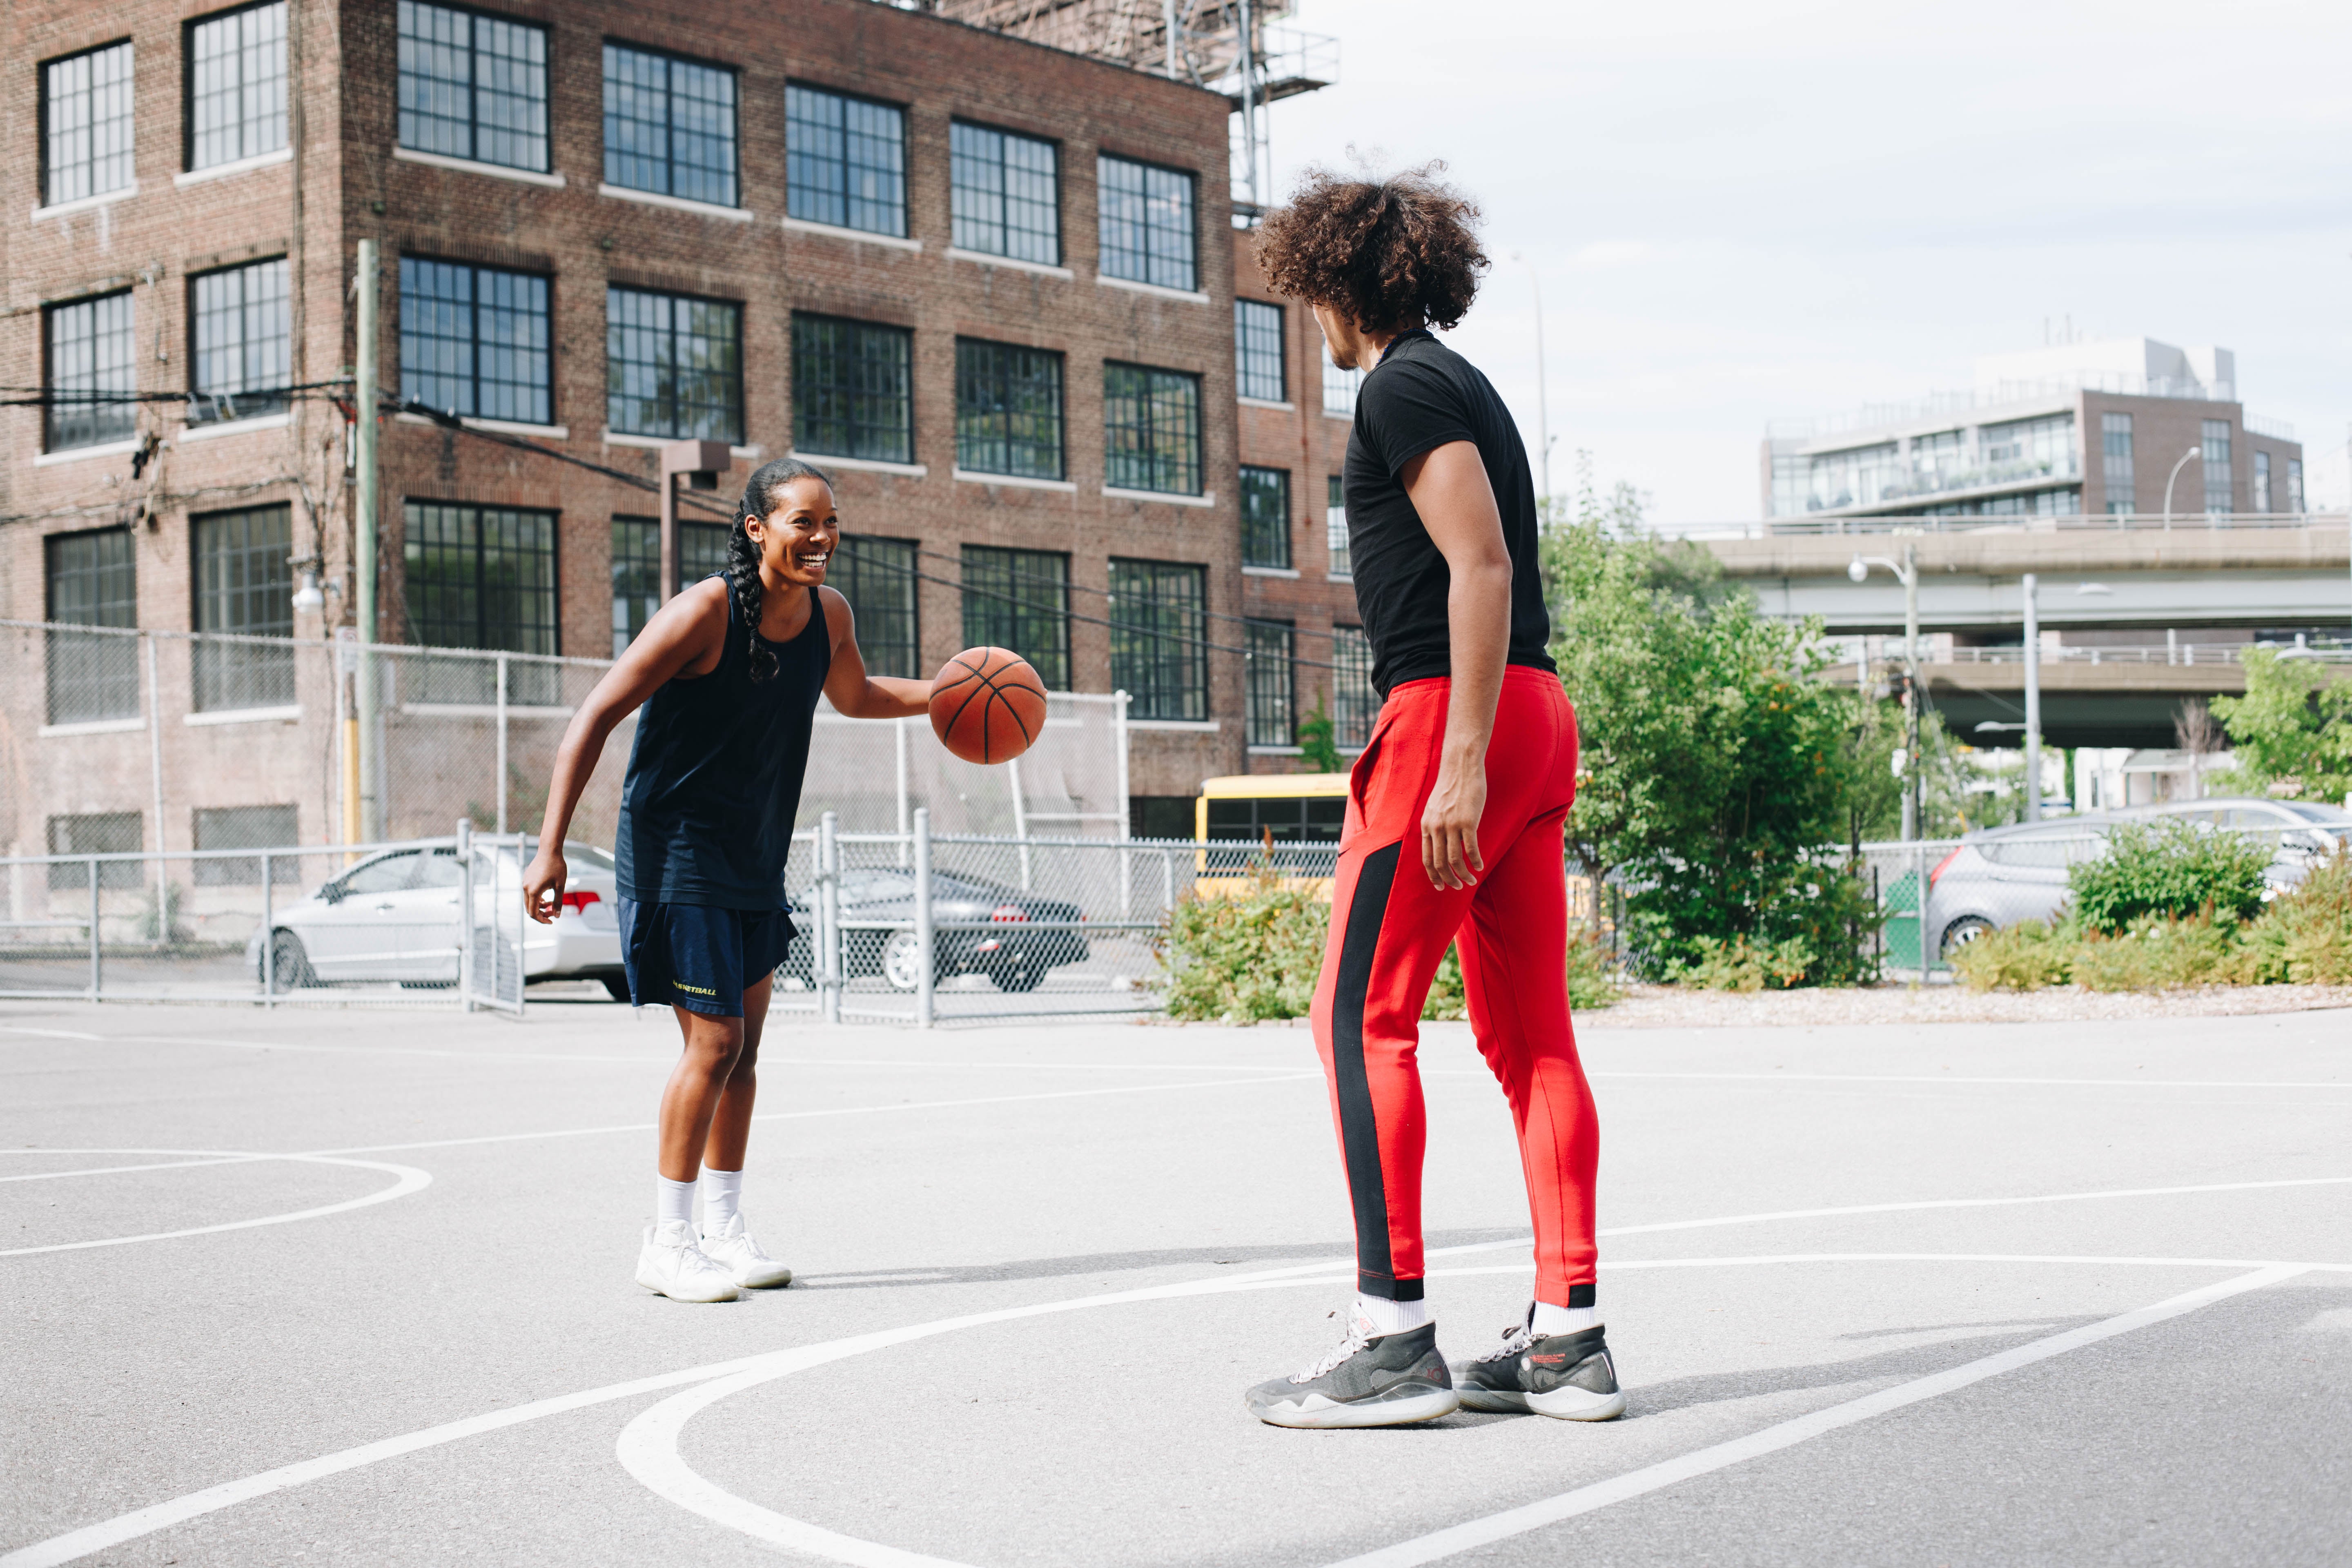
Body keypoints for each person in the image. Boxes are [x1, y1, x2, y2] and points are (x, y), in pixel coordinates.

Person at [1241, 167, 1621, 1427]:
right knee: (1530, 1042)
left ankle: (1391, 1336)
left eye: (1309, 295)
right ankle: (1569, 1341)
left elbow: (1482, 562)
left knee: (1359, 1019)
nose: (1311, 319)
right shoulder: (1462, 383)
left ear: (1338, 283)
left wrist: (1456, 758)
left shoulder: (1400, 382)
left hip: (1460, 719)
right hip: (1534, 718)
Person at [521, 459, 933, 1303]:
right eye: (802, 523)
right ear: (756, 528)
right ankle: (667, 1241)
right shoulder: (703, 612)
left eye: (830, 523)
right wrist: (550, 847)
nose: (822, 539)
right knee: (712, 1045)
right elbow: (595, 714)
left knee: (744, 1054)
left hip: (752, 853)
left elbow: (853, 695)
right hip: (676, 852)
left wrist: (952, 694)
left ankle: (725, 1230)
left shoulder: (830, 614)